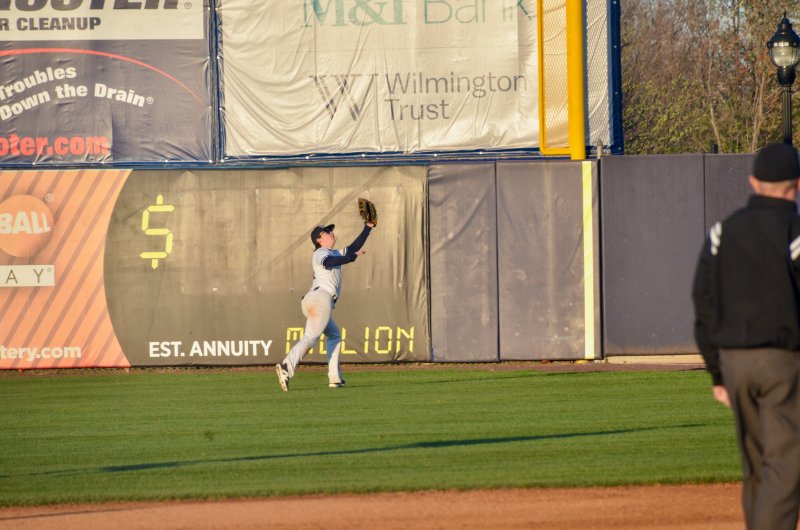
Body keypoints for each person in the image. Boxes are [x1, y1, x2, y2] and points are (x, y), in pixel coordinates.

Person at [692, 142, 800, 530]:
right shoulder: (794, 230)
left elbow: (703, 301)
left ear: (753, 181)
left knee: (755, 463)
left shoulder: (723, 232)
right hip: (782, 360)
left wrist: (716, 371)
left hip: (734, 361)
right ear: (797, 184)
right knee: (786, 464)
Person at [275, 221, 375, 391]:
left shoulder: (334, 252)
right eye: (327, 231)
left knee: (334, 335)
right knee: (310, 338)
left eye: (330, 230)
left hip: (316, 300)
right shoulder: (320, 253)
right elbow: (330, 261)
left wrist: (368, 228)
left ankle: (335, 378)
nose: (331, 232)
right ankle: (286, 366)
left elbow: (351, 249)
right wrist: (351, 257)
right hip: (320, 299)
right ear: (319, 239)